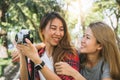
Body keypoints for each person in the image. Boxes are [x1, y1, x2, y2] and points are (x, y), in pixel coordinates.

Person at [16, 12, 81, 80]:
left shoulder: (70, 53)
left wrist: (38, 61)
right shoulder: (38, 53)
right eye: (53, 28)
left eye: (61, 29)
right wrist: (22, 54)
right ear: (42, 31)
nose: (58, 33)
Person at [55, 21, 120, 80]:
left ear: (100, 46)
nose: (82, 40)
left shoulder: (106, 64)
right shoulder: (78, 57)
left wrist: (74, 73)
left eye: (88, 37)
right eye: (84, 36)